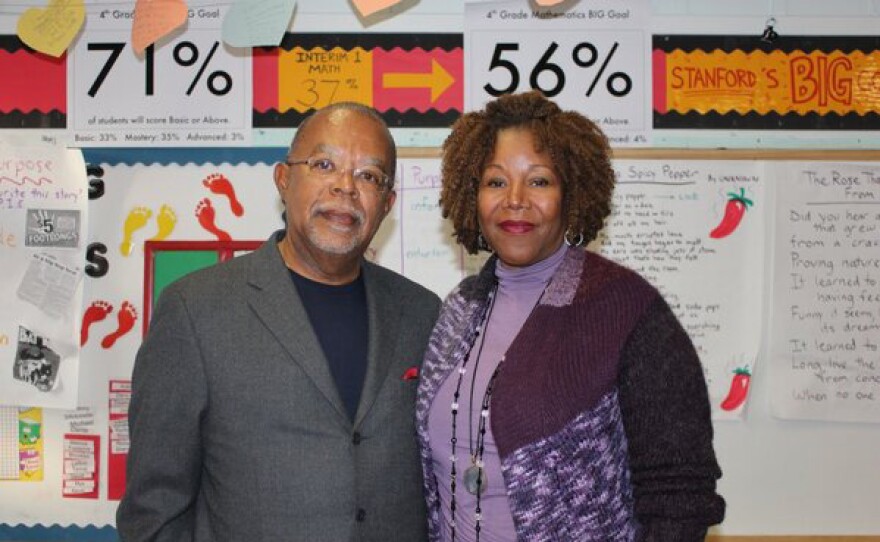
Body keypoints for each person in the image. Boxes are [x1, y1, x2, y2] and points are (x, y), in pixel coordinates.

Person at [117, 102, 441, 541]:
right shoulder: (195, 310)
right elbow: (154, 511)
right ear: (284, 180)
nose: (345, 187)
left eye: (369, 175)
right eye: (324, 164)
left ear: (387, 204)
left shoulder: (422, 314)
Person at [416, 91, 725, 541]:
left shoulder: (628, 311)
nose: (515, 200)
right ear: (472, 195)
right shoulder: (459, 309)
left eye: (539, 181)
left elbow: (680, 492)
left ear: (571, 192)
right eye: (495, 182)